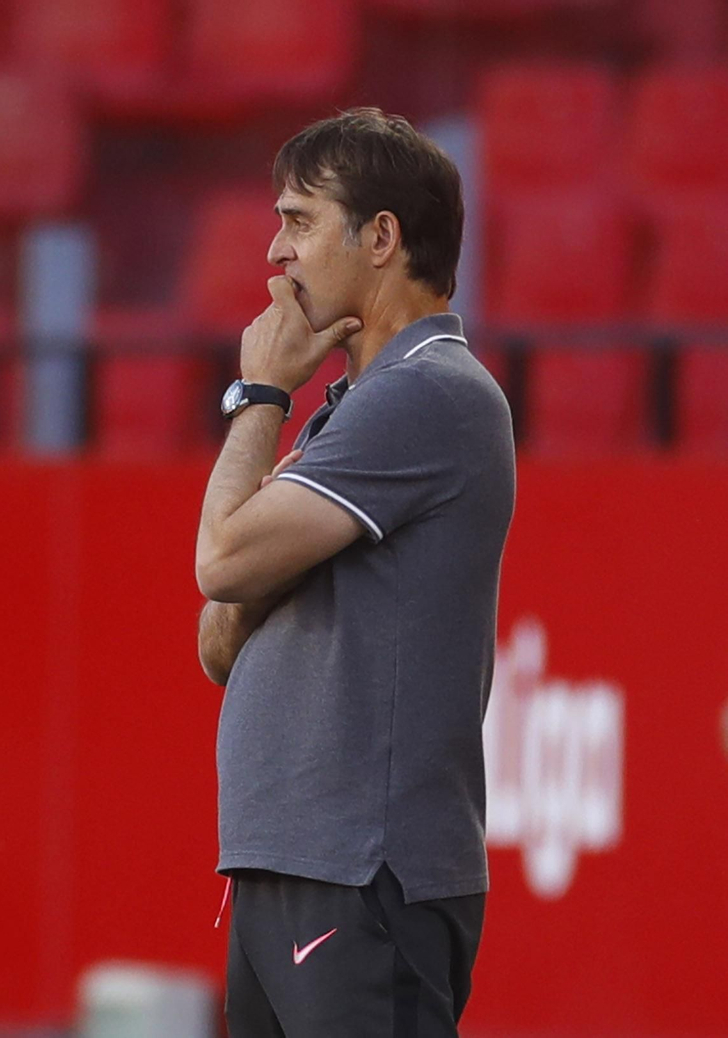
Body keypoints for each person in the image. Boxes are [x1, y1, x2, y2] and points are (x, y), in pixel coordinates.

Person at [194, 109, 515, 1036]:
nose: (274, 250)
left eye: (299, 221)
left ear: (381, 237)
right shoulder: (352, 414)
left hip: (365, 875)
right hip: (285, 870)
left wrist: (260, 393)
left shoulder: (431, 392)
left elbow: (222, 559)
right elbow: (217, 636)